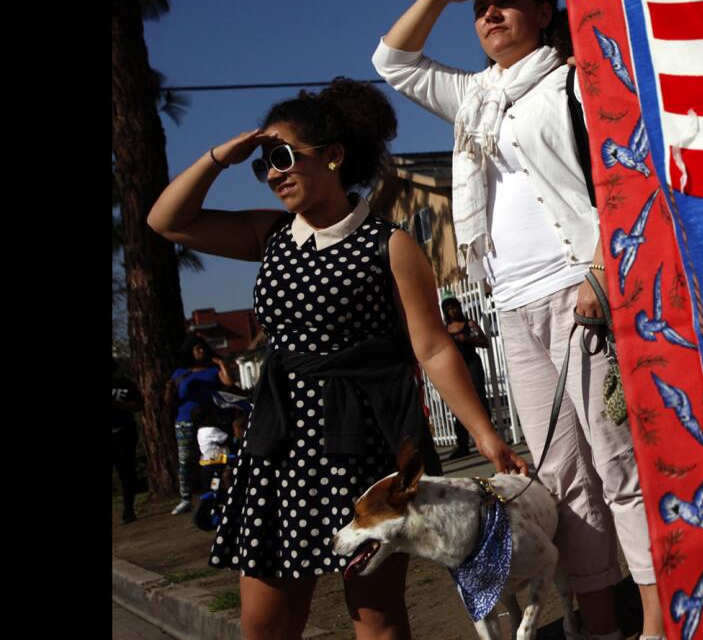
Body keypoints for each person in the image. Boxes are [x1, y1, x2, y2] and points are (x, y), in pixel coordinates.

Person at [147, 77, 524, 640]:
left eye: (282, 157)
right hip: (276, 445)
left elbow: (433, 346)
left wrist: (486, 434)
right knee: (264, 623)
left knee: (377, 618)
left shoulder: (389, 242)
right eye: (262, 163)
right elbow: (166, 221)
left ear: (333, 157)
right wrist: (221, 156)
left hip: (364, 445)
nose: (272, 172)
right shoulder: (269, 232)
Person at [372, 0, 664, 640]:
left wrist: (600, 272)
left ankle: (656, 617)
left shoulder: (574, 82)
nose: (489, 15)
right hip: (511, 304)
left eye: (506, 2)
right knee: (560, 477)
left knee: (617, 462)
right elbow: (392, 58)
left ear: (544, 14)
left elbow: (618, 180)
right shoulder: (473, 96)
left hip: (580, 290)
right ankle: (598, 621)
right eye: (481, 8)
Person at [166, 336, 234, 514]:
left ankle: (214, 492)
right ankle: (185, 497)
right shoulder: (181, 373)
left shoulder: (212, 370)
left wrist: (221, 363)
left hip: (210, 420)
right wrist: (168, 389)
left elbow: (229, 383)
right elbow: (170, 399)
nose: (201, 351)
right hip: (185, 419)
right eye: (197, 349)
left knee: (213, 457)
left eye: (203, 348)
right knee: (186, 459)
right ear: (190, 352)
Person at [441, 296, 491, 460]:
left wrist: (467, 338)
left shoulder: (469, 324)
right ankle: (462, 444)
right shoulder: (445, 328)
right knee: (459, 404)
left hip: (472, 365)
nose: (453, 311)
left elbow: (485, 342)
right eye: (449, 309)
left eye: (454, 307)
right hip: (456, 369)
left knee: (480, 399)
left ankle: (490, 436)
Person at [112, 358, 143, 524]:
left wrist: (119, 406)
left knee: (126, 473)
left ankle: (128, 510)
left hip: (123, 433)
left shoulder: (125, 384)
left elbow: (139, 405)